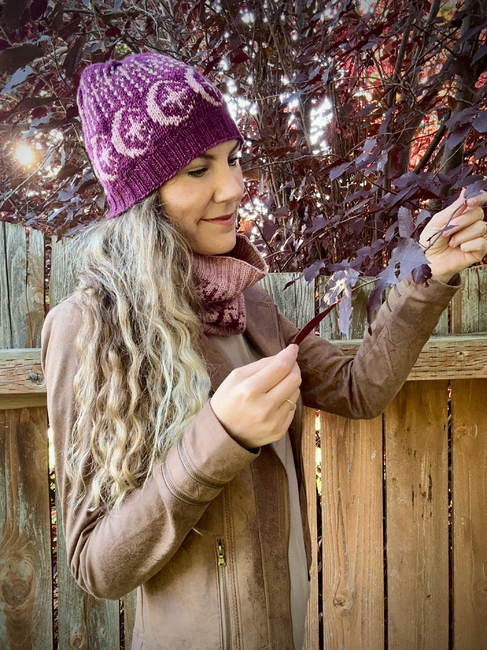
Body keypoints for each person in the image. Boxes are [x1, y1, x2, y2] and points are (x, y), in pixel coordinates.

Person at [41, 52, 487, 650]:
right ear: (143, 199)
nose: (233, 186)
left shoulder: (245, 300)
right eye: (198, 168)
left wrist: (430, 272)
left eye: (232, 158)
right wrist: (219, 437)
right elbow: (95, 566)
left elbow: (359, 388)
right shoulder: (91, 327)